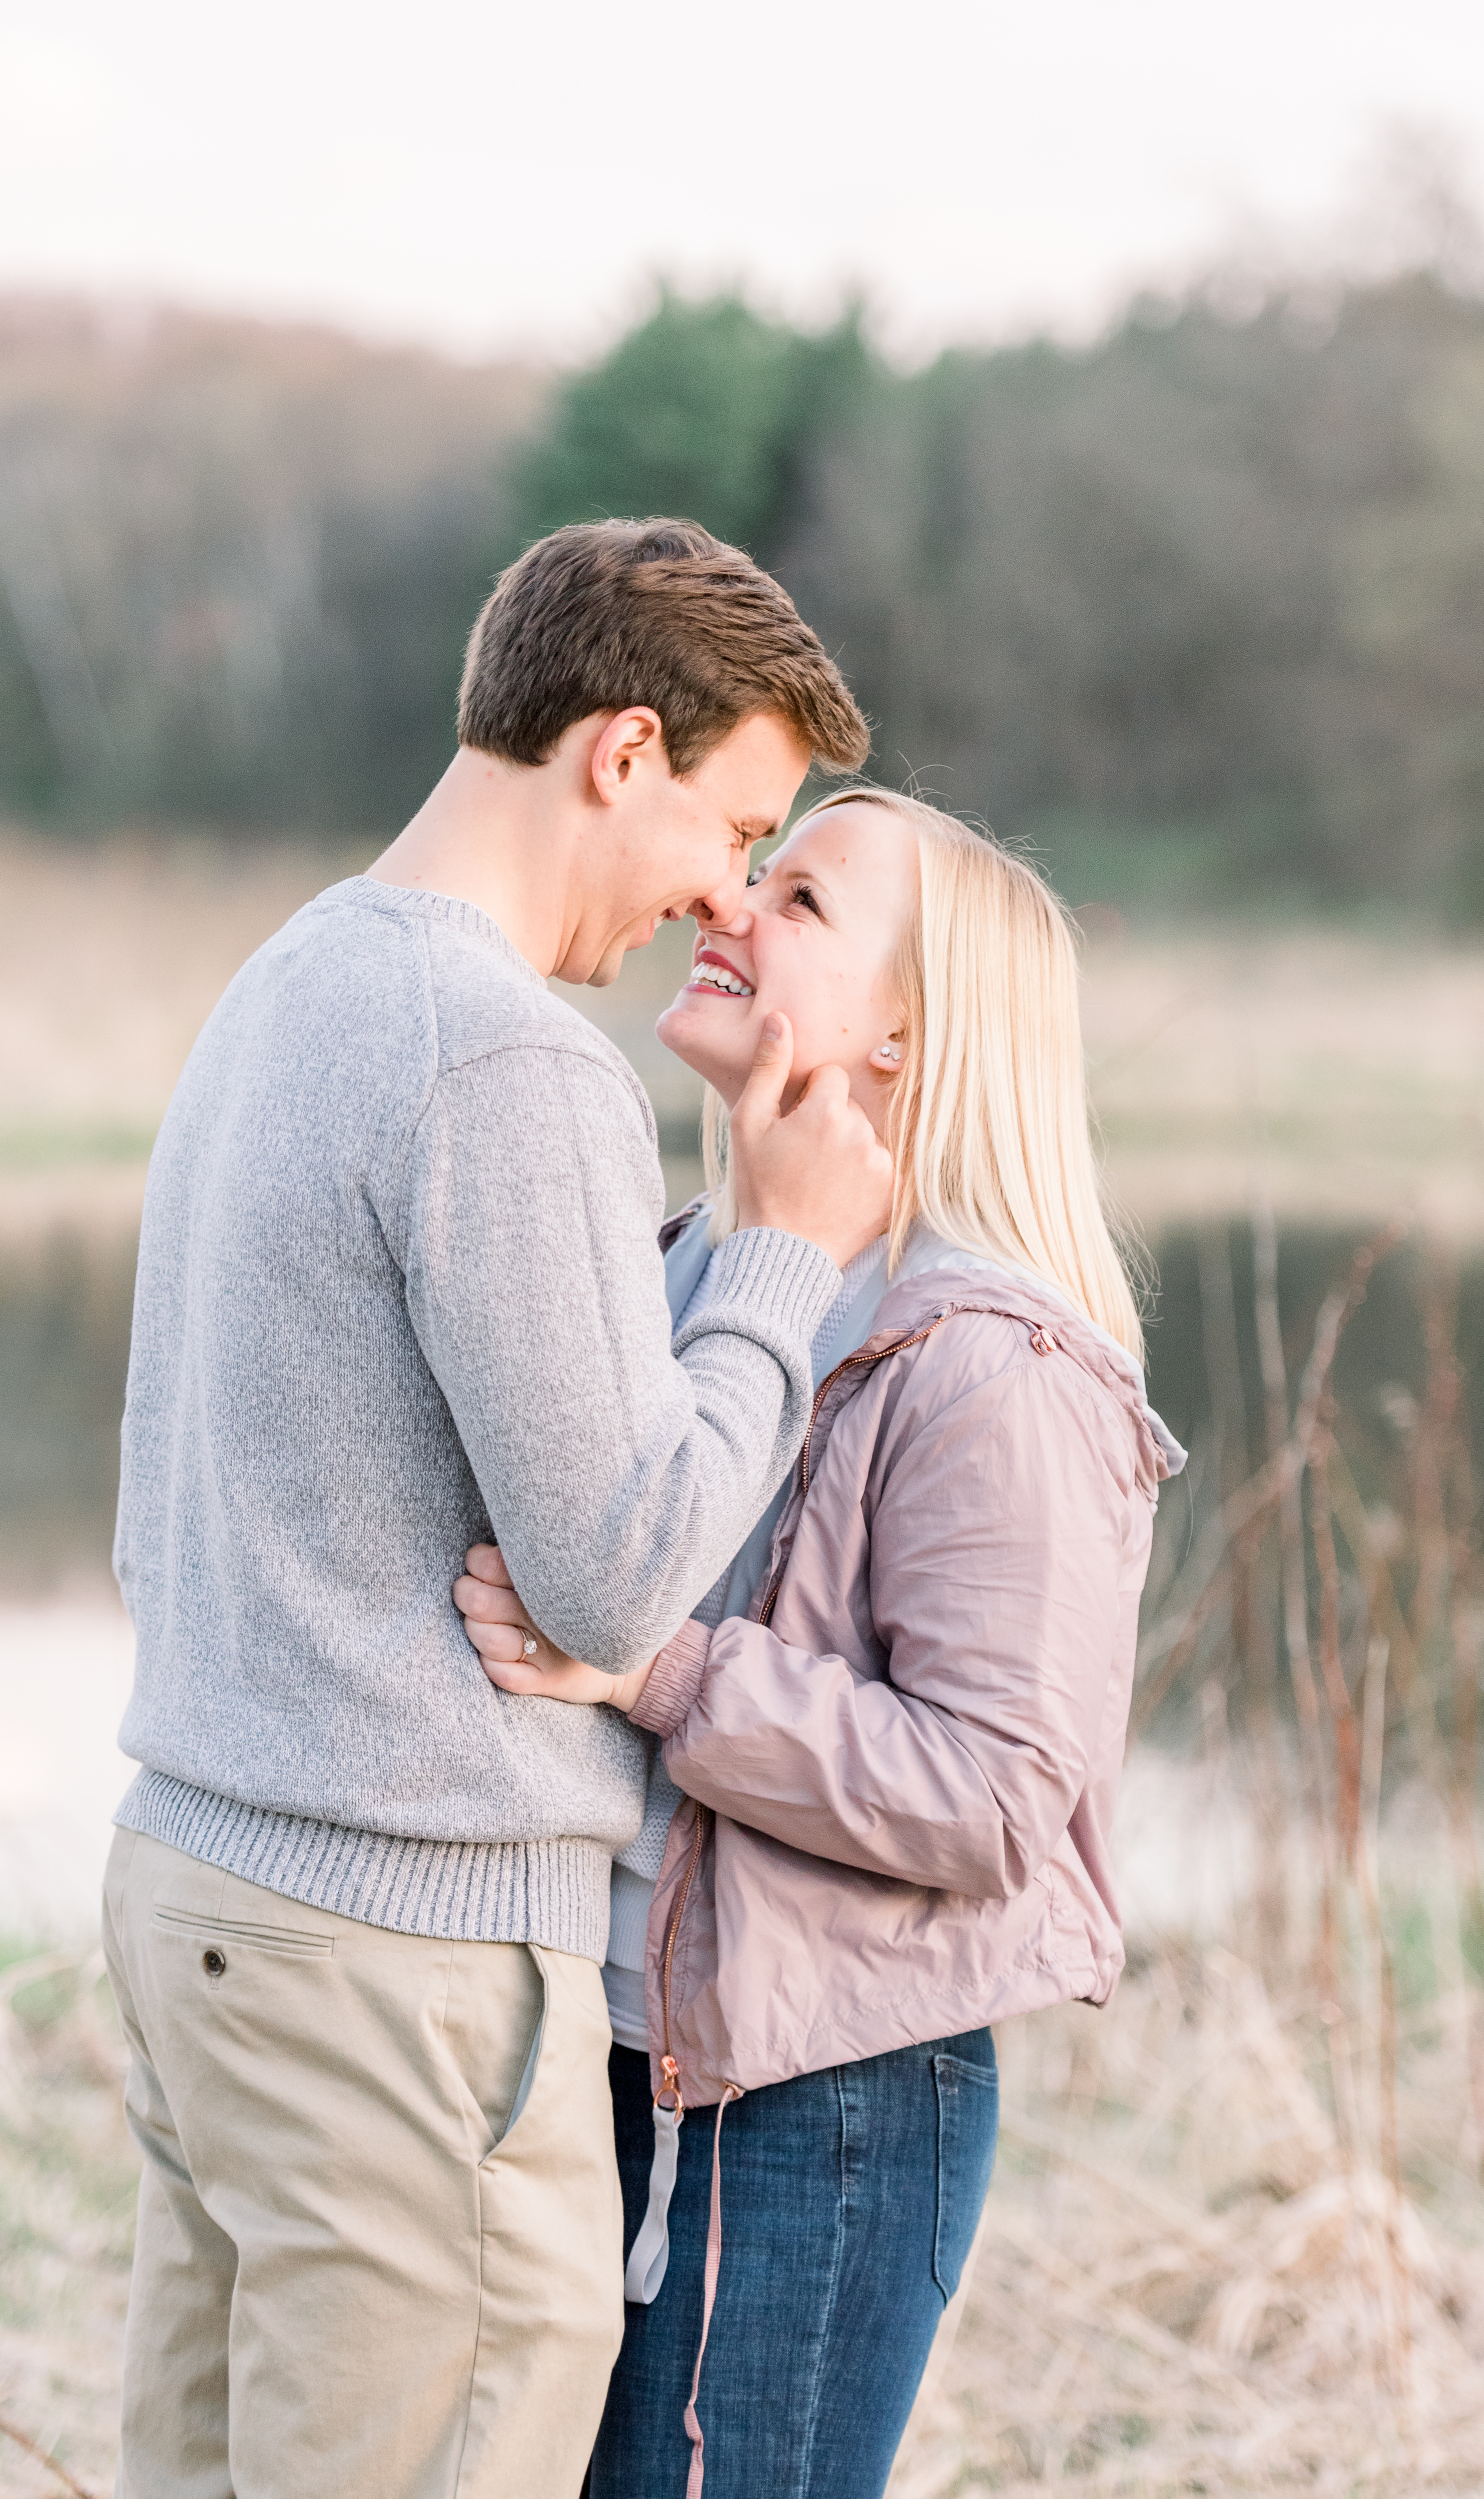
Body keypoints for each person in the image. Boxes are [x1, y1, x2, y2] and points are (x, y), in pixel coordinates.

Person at [100, 519, 894, 2499]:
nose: (723, 893)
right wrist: (783, 1257)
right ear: (621, 751)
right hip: (396, 1964)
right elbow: (618, 1575)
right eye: (737, 823)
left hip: (200, 1898)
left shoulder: (287, 978)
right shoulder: (506, 1056)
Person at [455, 788, 1185, 2499]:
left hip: (816, 2115)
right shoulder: (684, 1274)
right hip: (603, 2065)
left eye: (797, 899)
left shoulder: (991, 1362)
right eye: (751, 872)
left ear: (910, 1029)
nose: (730, 901)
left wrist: (652, 1672)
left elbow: (997, 1797)